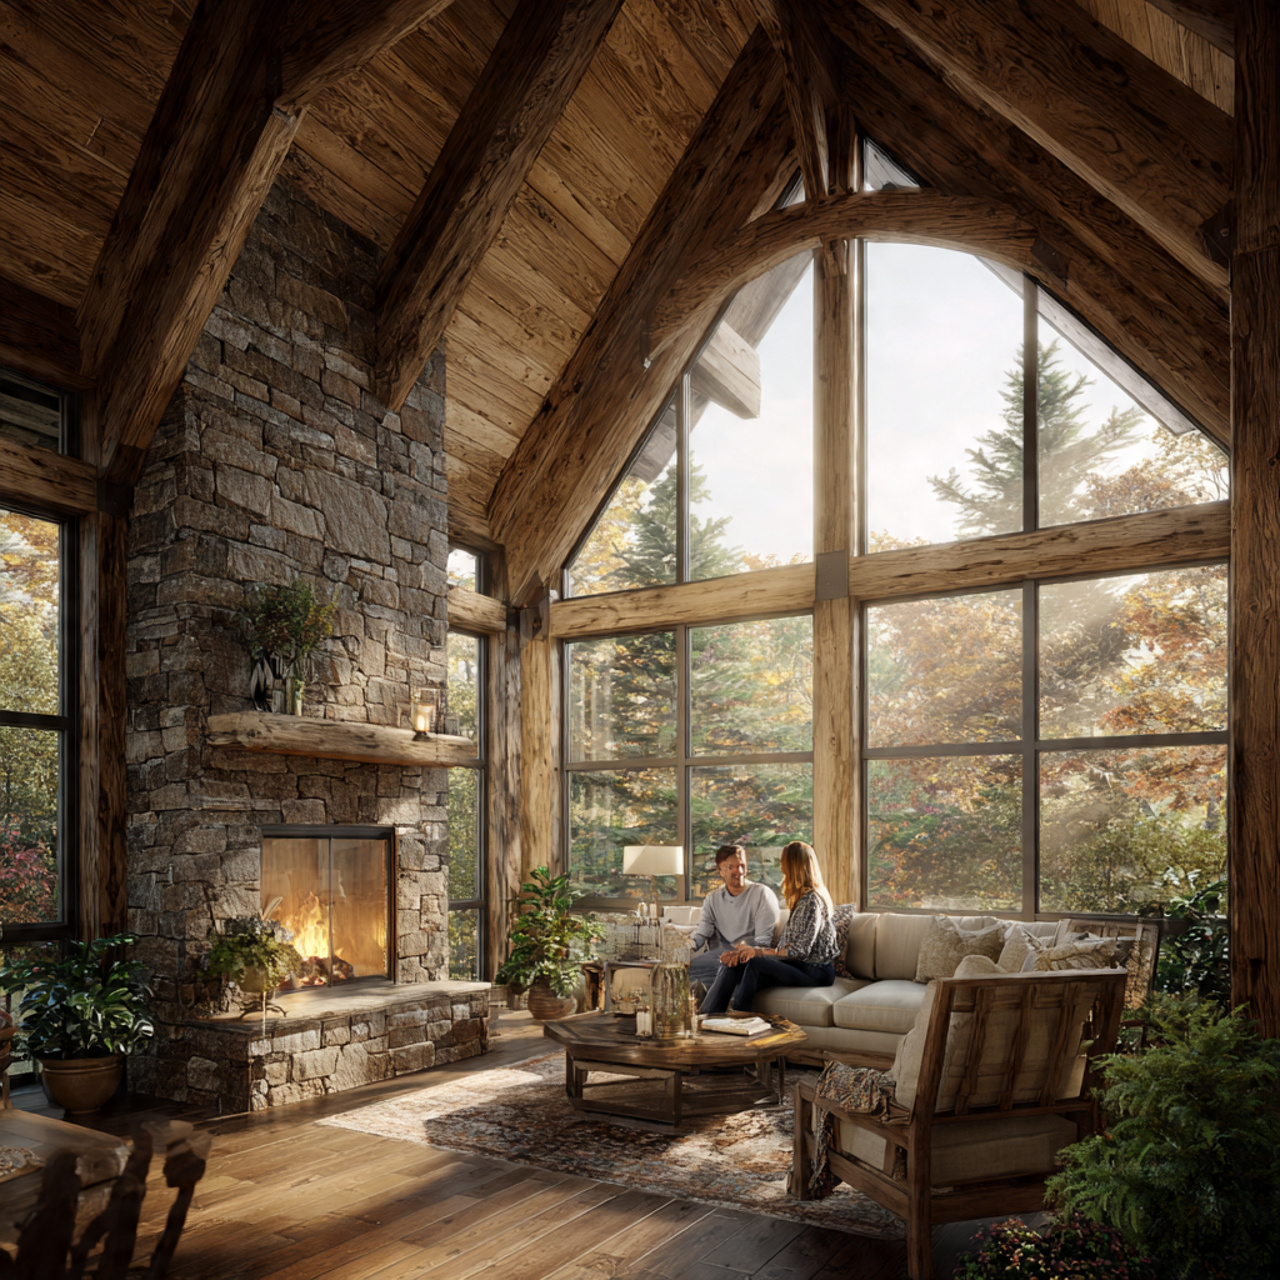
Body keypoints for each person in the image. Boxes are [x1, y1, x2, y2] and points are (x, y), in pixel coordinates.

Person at [699, 840, 837, 1014]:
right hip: (798, 965)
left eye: (784, 863)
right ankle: (708, 1016)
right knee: (734, 963)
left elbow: (799, 951)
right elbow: (787, 947)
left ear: (794, 867)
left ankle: (741, 1018)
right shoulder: (801, 899)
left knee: (755, 963)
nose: (782, 869)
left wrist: (757, 952)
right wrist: (741, 953)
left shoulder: (812, 901)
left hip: (815, 971)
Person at [687, 844, 780, 988]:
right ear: (720, 870)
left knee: (727, 972)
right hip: (716, 958)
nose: (739, 871)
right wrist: (687, 944)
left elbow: (763, 940)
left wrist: (739, 952)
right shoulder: (712, 899)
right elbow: (703, 931)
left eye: (742, 865)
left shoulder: (762, 894)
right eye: (732, 867)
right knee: (683, 972)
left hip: (747, 957)